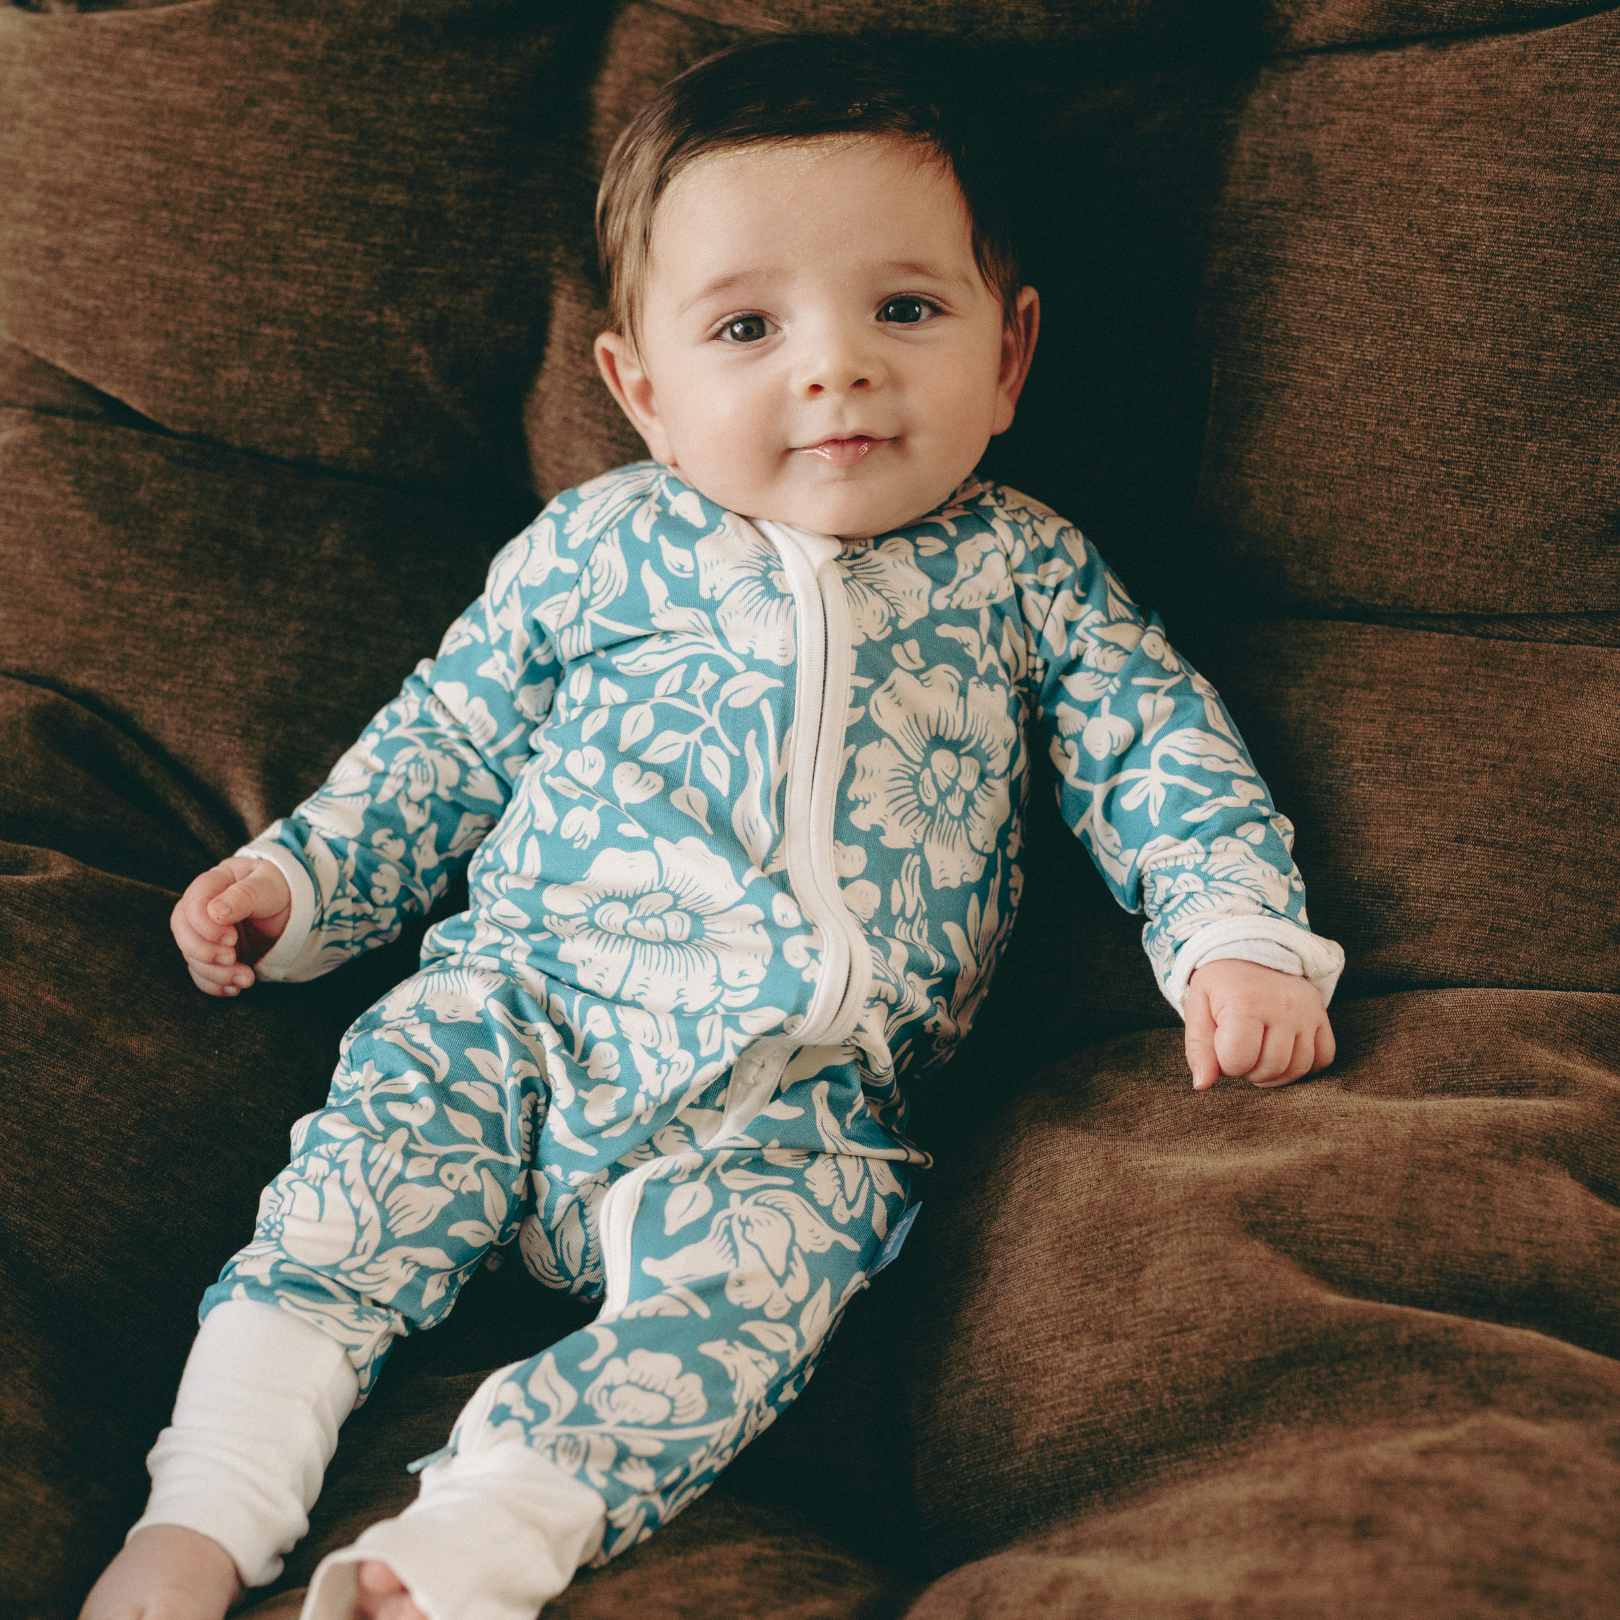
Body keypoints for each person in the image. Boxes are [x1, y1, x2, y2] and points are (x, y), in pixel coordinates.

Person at [82, 34, 1342, 1620]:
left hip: (801, 1091)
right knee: (346, 1203)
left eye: (905, 309)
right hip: (521, 1008)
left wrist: (1234, 932)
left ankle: (468, 1544)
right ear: (645, 394)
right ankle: (202, 1514)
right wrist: (300, 879)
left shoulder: (1025, 573)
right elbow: (442, 740)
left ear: (1010, 355)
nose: (835, 368)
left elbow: (1157, 746)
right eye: (748, 326)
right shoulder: (596, 549)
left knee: (754, 1302)